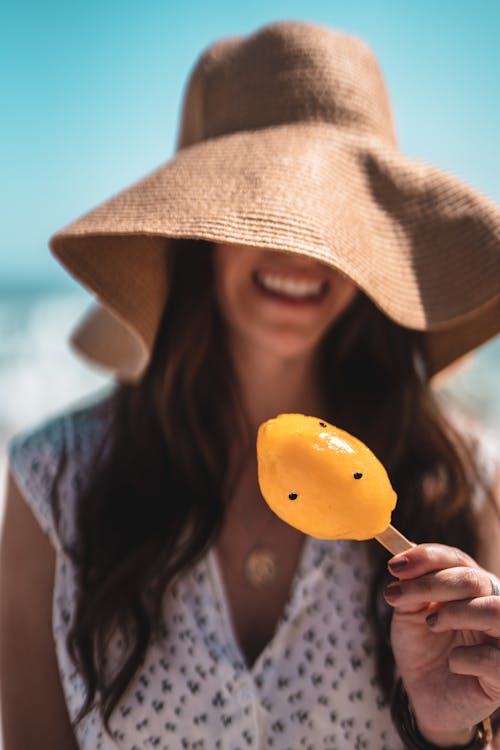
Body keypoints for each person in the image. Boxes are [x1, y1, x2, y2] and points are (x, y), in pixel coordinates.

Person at [1, 19, 500, 750]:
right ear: (197, 234)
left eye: (332, 216)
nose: (298, 250)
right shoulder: (56, 483)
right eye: (261, 208)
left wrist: (461, 731)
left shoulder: (463, 483)